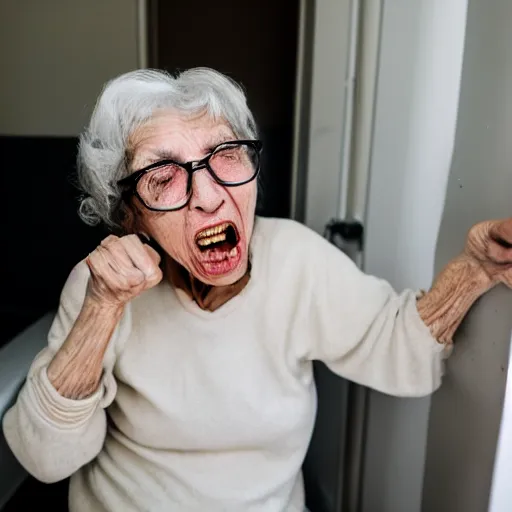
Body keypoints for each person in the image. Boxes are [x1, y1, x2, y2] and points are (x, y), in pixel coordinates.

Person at [3, 68, 511, 512]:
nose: (207, 197)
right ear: (130, 214)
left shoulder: (297, 259)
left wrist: (476, 270)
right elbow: (48, 459)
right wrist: (102, 307)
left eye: (224, 154)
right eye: (163, 175)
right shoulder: (100, 287)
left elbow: (399, 350)